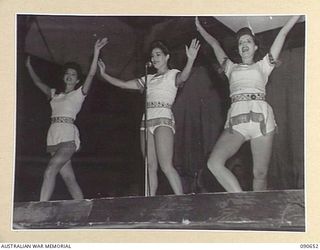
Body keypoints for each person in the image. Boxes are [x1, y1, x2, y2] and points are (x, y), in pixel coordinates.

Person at [195, 16, 301, 192]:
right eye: (241, 43)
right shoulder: (230, 68)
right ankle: (242, 201)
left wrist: (299, 12)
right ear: (238, 48)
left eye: (248, 41)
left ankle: (257, 211)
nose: (244, 45)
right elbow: (215, 45)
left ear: (255, 46)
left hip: (261, 120)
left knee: (260, 173)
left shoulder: (263, 66)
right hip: (237, 122)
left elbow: (282, 34)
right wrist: (200, 29)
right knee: (214, 163)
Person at [98, 39, 200, 196]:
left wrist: (191, 60)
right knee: (149, 166)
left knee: (166, 165)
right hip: (146, 122)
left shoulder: (172, 74)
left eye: (158, 54)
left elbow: (183, 78)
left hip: (163, 119)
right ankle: (149, 201)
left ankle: (182, 201)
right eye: (152, 56)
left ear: (167, 57)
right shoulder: (148, 78)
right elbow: (124, 84)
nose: (154, 58)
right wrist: (104, 75)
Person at [26, 37, 108, 201]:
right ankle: (82, 208)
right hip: (53, 136)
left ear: (78, 79)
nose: (70, 76)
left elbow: (91, 74)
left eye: (73, 74)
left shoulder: (79, 94)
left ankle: (41, 207)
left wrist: (96, 52)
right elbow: (37, 82)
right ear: (64, 77)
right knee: (69, 179)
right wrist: (28, 66)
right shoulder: (54, 94)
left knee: (50, 171)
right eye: (67, 74)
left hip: (68, 137)